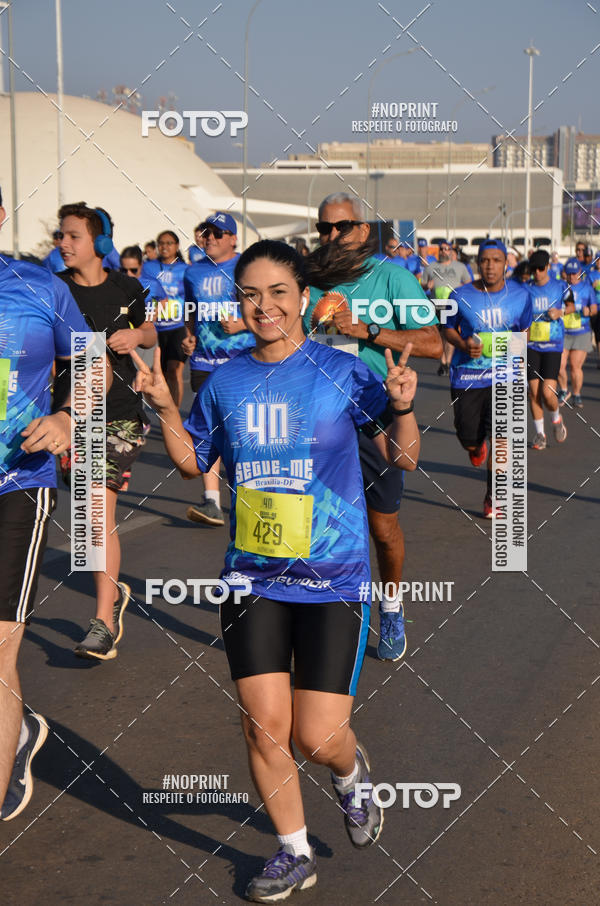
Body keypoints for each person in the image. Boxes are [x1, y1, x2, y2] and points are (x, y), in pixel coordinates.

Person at [133, 239, 420, 903]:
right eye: (251, 295)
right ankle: (294, 852)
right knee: (264, 726)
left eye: (278, 293)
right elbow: (192, 463)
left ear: (303, 299)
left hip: (333, 579)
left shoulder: (342, 373)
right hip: (251, 579)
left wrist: (404, 407)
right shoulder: (225, 382)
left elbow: (402, 459)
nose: (264, 306)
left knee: (317, 737)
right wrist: (166, 407)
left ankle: (350, 774)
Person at [303, 192, 441, 662]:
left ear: (363, 230)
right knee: (317, 525)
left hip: (376, 416)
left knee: (383, 529)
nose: (332, 236)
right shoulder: (310, 281)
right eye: (324, 228)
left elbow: (433, 343)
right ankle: (326, 614)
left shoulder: (392, 277)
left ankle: (392, 606)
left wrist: (369, 331)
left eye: (342, 226)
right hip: (321, 420)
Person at [0, 186, 91, 821]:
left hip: (17, 481)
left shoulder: (39, 287)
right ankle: (21, 728)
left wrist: (65, 417)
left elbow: (91, 367)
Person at [56, 202, 156, 659]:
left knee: (95, 512)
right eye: (60, 235)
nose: (63, 243)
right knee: (86, 518)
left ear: (98, 242)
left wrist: (136, 337)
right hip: (67, 416)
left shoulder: (126, 287)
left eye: (73, 236)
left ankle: (103, 621)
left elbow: (151, 332)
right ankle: (112, 593)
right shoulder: (53, 288)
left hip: (118, 414)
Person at [443, 239, 533, 518]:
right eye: (484, 260)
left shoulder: (521, 295)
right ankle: (476, 446)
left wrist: (517, 356)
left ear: (506, 264)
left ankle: (494, 497)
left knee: (502, 438)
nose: (490, 266)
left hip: (506, 376)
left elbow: (524, 330)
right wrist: (463, 344)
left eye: (496, 260)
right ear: (477, 263)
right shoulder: (458, 295)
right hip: (468, 376)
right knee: (469, 439)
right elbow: (447, 329)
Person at [182, 213, 254, 525]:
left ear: (233, 239)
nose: (210, 238)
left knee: (243, 432)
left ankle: (249, 496)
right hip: (204, 361)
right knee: (209, 430)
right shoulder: (193, 272)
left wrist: (243, 324)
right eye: (206, 232)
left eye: (218, 233)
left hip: (242, 359)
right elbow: (190, 310)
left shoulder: (247, 267)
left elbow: (268, 308)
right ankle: (211, 501)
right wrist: (188, 336)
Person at [141, 230, 188, 407]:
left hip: (178, 326)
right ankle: (164, 410)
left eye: (169, 243)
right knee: (159, 373)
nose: (164, 246)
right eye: (161, 243)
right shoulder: (149, 267)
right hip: (155, 328)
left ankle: (174, 413)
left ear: (177, 246)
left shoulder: (185, 270)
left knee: (174, 370)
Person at [526, 250, 568, 449]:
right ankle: (540, 434)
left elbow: (572, 306)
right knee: (533, 392)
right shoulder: (526, 289)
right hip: (532, 345)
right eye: (534, 269)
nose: (537, 272)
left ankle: (556, 418)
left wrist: (561, 312)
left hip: (553, 345)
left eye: (541, 268)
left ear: (548, 267)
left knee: (548, 393)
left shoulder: (560, 286)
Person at [421, 240, 471, 376]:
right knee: (440, 336)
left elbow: (469, 284)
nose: (444, 251)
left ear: (450, 251)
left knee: (450, 333)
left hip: (452, 306)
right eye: (441, 249)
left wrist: (461, 289)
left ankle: (446, 362)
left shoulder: (460, 267)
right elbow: (422, 285)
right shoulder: (431, 267)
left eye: (447, 249)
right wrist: (426, 286)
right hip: (436, 306)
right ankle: (443, 361)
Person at [557, 258, 597, 408]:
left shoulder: (587, 288)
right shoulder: (560, 287)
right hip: (562, 332)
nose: (572, 276)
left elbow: (594, 308)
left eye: (574, 273)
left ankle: (577, 394)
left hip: (581, 332)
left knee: (575, 366)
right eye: (569, 273)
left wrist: (589, 311)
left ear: (580, 272)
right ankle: (564, 390)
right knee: (559, 366)